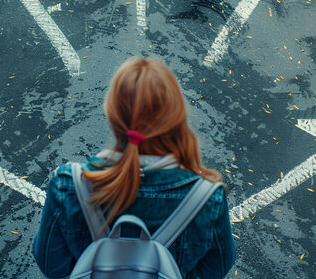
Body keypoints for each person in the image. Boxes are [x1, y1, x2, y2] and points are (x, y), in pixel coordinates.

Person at [33, 57, 236, 278]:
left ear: (112, 115)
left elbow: (52, 265)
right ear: (176, 118)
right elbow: (215, 270)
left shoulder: (68, 185)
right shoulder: (206, 199)